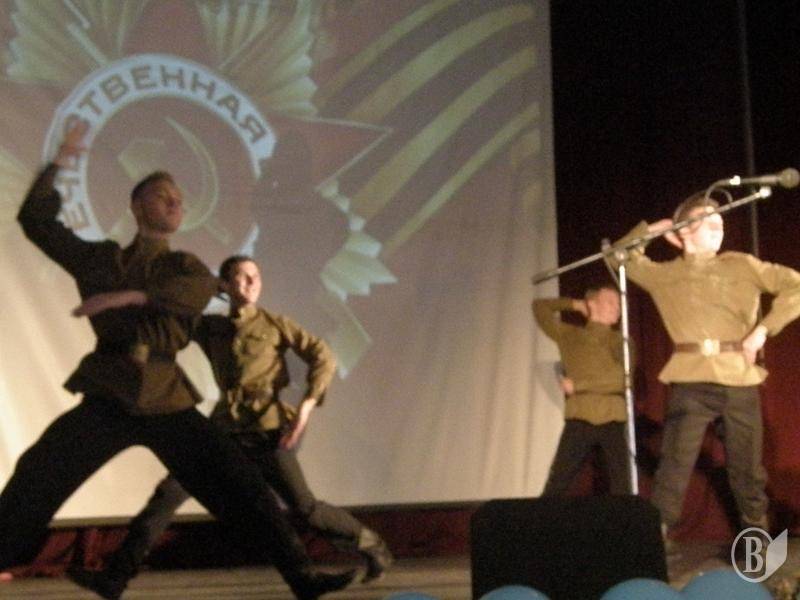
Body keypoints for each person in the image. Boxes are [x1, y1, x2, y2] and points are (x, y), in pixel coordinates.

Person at [1, 120, 355, 600]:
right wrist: (59, 164)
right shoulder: (102, 260)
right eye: (163, 195)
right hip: (110, 392)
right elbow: (37, 223)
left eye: (180, 200)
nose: (174, 203)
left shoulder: (185, 266)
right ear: (137, 205)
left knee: (242, 487)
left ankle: (303, 577)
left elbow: (196, 291)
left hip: (166, 399)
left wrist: (131, 296)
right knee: (37, 475)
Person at [78, 255, 393, 592]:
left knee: (305, 508)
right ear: (226, 285)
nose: (251, 282)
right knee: (169, 493)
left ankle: (372, 545)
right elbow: (174, 316)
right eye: (241, 277)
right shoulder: (211, 327)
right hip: (223, 431)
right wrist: (134, 298)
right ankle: (116, 577)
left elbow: (323, 356)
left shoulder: (275, 324)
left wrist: (306, 407)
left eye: (255, 275)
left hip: (267, 431)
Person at [610, 191, 800, 545]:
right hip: (691, 379)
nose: (718, 227)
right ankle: (656, 543)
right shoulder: (665, 275)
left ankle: (756, 544)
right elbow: (618, 256)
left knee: (747, 469)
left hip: (738, 377)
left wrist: (763, 330)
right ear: (684, 231)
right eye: (707, 221)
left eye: (720, 222)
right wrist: (657, 228)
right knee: (674, 465)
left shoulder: (741, 265)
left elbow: (796, 286)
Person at [533, 286, 631, 496]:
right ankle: (541, 518)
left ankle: (621, 520)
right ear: (593, 304)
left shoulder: (621, 341)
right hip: (580, 416)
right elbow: (540, 307)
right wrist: (576, 305)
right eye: (611, 302)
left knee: (621, 486)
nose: (617, 308)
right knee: (558, 482)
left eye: (619, 304)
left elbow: (621, 379)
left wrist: (578, 385)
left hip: (612, 418)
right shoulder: (570, 335)